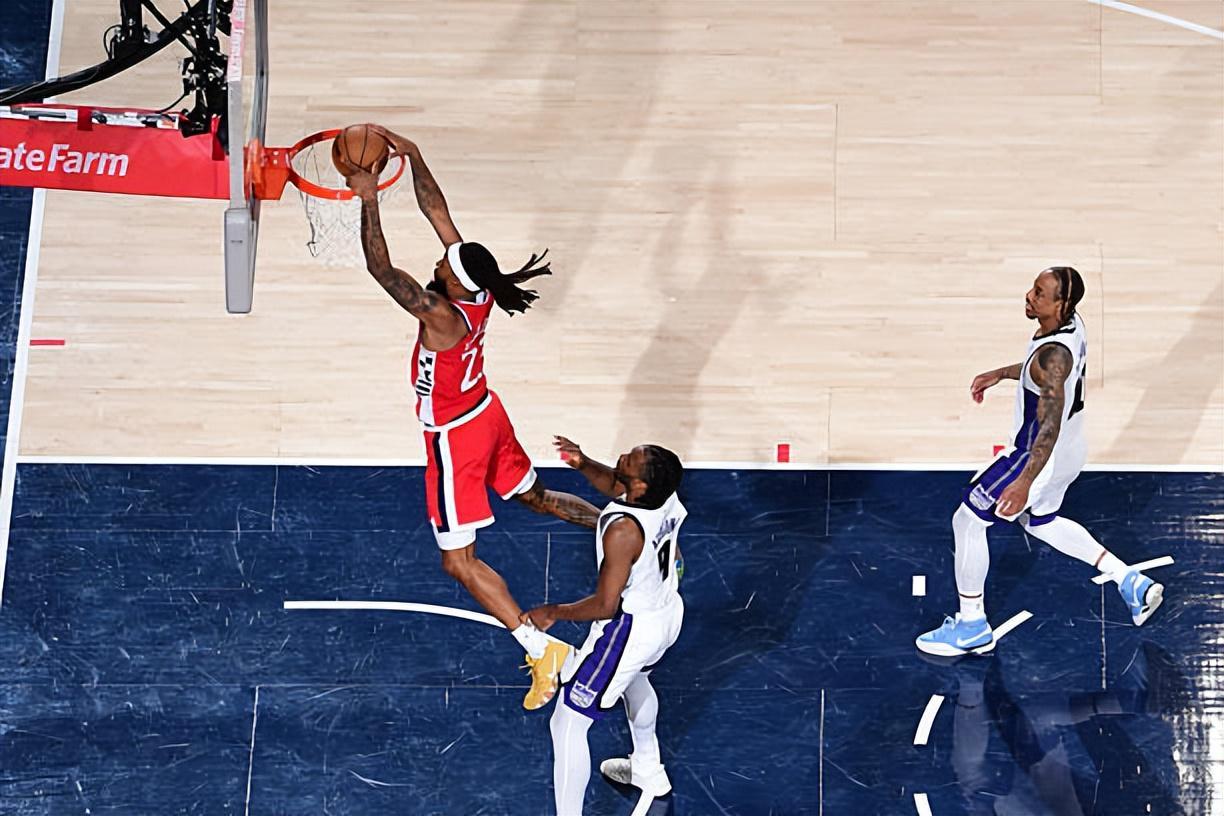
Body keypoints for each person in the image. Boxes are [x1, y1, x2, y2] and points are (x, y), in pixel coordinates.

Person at [347, 125, 599, 709]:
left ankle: (542, 650)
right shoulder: (478, 288)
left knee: (457, 562)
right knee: (537, 497)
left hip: (456, 437)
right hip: (487, 412)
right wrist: (414, 156)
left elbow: (383, 270)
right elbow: (439, 214)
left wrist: (369, 197)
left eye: (441, 263)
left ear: (450, 282)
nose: (438, 259)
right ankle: (625, 527)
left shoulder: (441, 315)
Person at [916, 266, 1164, 657]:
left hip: (1035, 455)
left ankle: (971, 625)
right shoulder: (1071, 327)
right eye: (1033, 289)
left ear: (1060, 304)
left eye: (1039, 294)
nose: (1029, 297)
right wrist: (1002, 373)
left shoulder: (1053, 358)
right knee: (1040, 521)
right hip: (1070, 451)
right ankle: (1128, 580)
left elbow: (1047, 424)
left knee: (968, 520)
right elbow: (1041, 372)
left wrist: (1024, 481)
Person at [524, 437, 686, 816]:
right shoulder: (664, 496)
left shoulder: (623, 532)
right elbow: (616, 485)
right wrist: (583, 463)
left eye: (632, 459)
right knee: (638, 682)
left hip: (628, 631)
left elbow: (605, 606)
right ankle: (648, 768)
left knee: (568, 721)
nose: (624, 455)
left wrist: (553, 612)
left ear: (640, 483)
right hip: (666, 612)